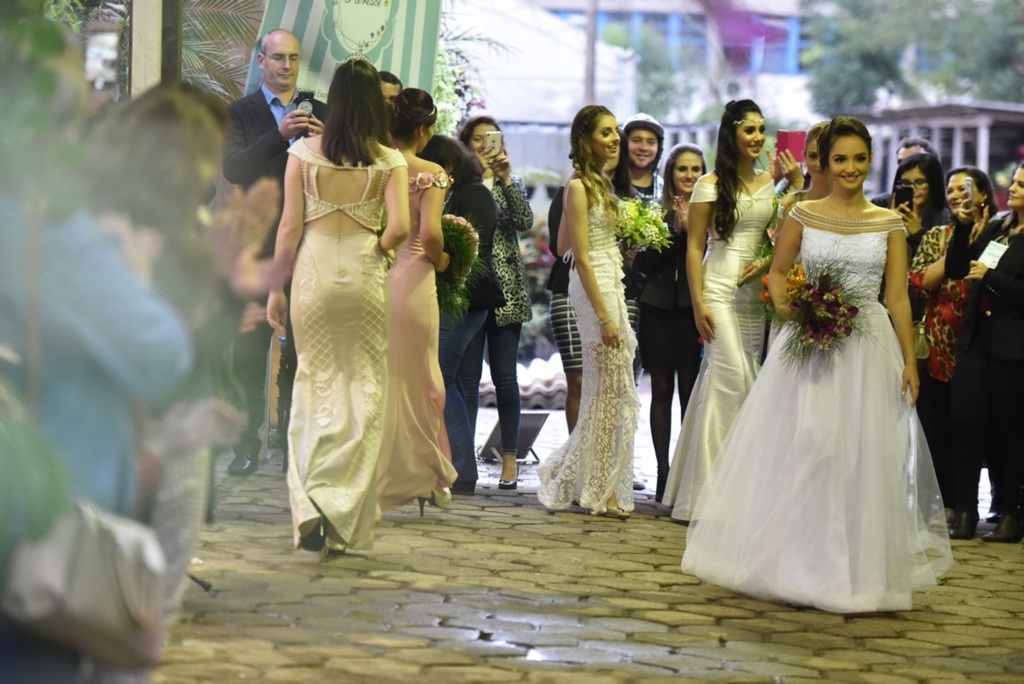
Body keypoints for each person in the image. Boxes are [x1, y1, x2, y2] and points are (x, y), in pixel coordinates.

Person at [682, 115, 953, 613]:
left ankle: (856, 572)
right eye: (839, 159)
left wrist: (910, 364)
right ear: (825, 163)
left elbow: (896, 297)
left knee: (860, 456)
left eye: (859, 159)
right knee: (811, 444)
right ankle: (792, 562)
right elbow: (780, 274)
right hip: (811, 346)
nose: (849, 168)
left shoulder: (889, 222)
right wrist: (796, 310)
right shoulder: (804, 215)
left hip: (869, 350)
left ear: (870, 161)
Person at [266, 59, 410, 554]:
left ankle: (309, 502)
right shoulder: (390, 161)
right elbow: (401, 229)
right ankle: (342, 505)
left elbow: (288, 228)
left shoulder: (301, 155)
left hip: (314, 271)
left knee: (313, 381)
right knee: (363, 385)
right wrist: (380, 248)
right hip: (365, 273)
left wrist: (275, 289)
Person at [662, 100, 802, 522]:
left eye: (762, 129)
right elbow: (694, 246)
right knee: (731, 379)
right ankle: (706, 499)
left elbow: (774, 240)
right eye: (749, 130)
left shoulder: (769, 184)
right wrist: (698, 301)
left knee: (739, 386)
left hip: (753, 296)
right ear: (732, 135)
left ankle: (738, 491)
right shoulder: (709, 184)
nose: (758, 137)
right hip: (719, 286)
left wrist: (766, 261)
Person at [222, 29, 326, 476]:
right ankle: (245, 444)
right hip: (259, 247)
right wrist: (279, 136)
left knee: (304, 351)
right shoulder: (241, 112)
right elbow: (233, 167)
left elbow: (346, 169)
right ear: (261, 61)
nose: (286, 66)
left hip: (310, 244)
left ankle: (291, 446)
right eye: (278, 58)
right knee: (248, 351)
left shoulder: (318, 110)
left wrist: (326, 142)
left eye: (294, 59)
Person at [537, 105, 639, 518]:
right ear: (586, 140)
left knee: (608, 388)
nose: (615, 139)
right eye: (606, 132)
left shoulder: (600, 186)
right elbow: (576, 256)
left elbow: (559, 244)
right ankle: (600, 486)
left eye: (616, 132)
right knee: (608, 388)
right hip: (595, 288)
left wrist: (623, 247)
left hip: (609, 277)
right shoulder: (579, 188)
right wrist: (604, 316)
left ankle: (579, 473)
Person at [376, 89, 458, 514]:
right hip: (414, 281)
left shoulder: (373, 166)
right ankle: (425, 474)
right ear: (424, 129)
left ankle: (377, 474)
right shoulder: (430, 173)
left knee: (381, 378)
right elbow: (428, 235)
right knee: (423, 378)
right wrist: (443, 259)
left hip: (375, 276)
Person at [909, 167, 995, 527]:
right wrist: (960, 240)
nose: (958, 195)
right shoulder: (936, 235)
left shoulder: (999, 233)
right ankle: (946, 503)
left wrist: (978, 237)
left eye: (966, 189)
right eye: (952, 189)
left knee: (974, 425)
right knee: (938, 423)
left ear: (984, 194)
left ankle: (975, 503)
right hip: (938, 341)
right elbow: (920, 281)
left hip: (981, 340)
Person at [418, 135, 502, 495]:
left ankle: (463, 469)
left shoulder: (476, 194)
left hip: (469, 298)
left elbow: (472, 252)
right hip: (453, 296)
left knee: (445, 378)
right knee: (445, 378)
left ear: (448, 166)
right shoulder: (456, 192)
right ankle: (452, 464)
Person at [945, 160, 1024, 543]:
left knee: (1008, 430)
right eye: (1016, 181)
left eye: (1022, 185)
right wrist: (962, 229)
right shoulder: (999, 227)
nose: (1013, 187)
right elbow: (961, 268)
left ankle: (1011, 512)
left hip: (1013, 345)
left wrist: (991, 277)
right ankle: (965, 511)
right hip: (976, 338)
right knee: (963, 421)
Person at [457, 115, 534, 489]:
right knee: (467, 379)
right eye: (476, 139)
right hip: (469, 289)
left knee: (505, 377)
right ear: (464, 144)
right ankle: (463, 455)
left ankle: (509, 458)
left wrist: (505, 178)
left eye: (491, 139)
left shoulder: (510, 183)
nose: (484, 146)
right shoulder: (459, 185)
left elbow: (524, 220)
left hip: (506, 293)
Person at [631, 143, 705, 502]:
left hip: (694, 312)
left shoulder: (713, 212)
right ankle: (662, 471)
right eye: (682, 169)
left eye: (695, 169)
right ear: (671, 173)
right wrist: (674, 232)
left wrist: (694, 230)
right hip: (658, 309)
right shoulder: (653, 212)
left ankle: (686, 472)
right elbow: (642, 265)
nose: (689, 176)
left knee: (690, 394)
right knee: (660, 390)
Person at [890, 152, 950, 263]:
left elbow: (939, 263)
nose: (912, 188)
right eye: (905, 182)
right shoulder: (882, 206)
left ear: (933, 184)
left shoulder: (946, 219)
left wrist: (918, 234)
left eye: (919, 182)